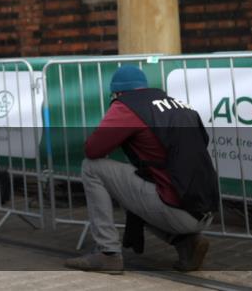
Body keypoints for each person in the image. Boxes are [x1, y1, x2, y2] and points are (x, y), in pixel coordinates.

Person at [64, 64, 219, 274]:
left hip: (178, 210)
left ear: (117, 92)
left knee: (92, 167)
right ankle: (186, 243)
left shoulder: (126, 106)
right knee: (135, 178)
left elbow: (93, 149)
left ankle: (107, 253)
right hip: (205, 209)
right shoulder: (178, 104)